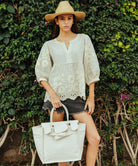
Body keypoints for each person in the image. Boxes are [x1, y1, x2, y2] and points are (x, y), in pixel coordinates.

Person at [35, 1, 100, 166]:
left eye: (69, 18)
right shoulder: (48, 46)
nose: (65, 22)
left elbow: (91, 68)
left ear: (73, 21)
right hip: (55, 99)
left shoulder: (84, 40)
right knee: (60, 144)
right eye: (62, 18)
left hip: (77, 96)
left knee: (94, 138)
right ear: (56, 21)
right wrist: (52, 94)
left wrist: (91, 96)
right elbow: (41, 74)